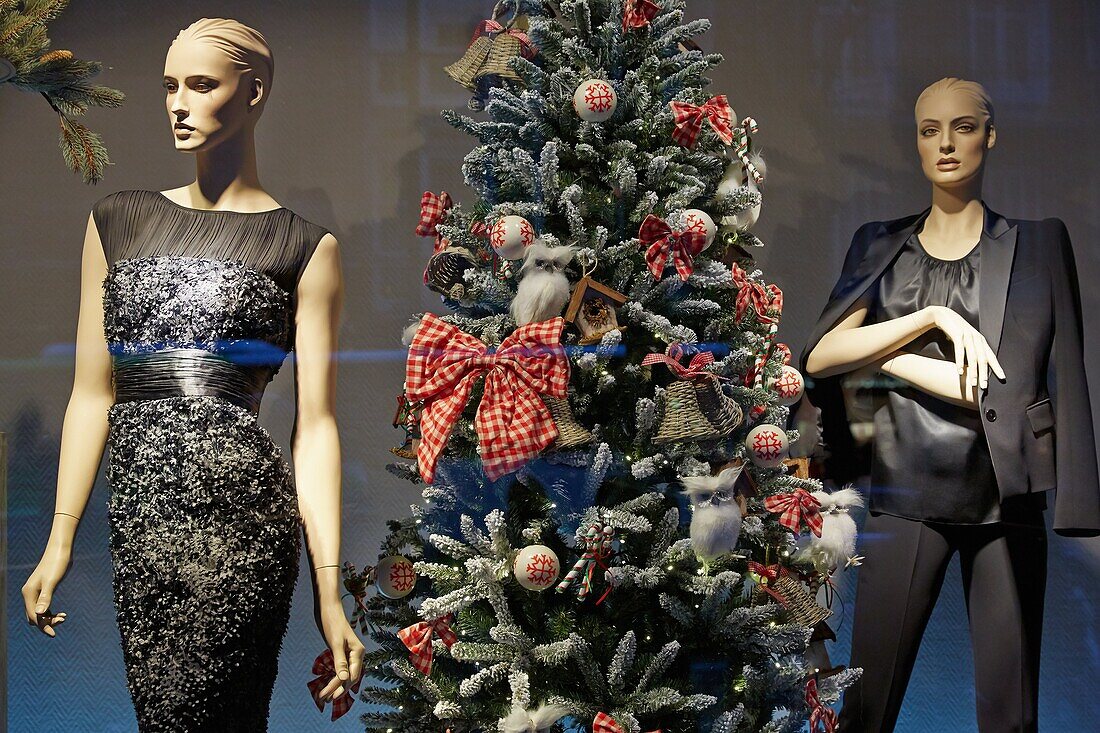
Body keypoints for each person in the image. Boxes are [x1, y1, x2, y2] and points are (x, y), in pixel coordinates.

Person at [20, 18, 364, 731]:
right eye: (170, 86)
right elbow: (93, 393)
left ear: (255, 92)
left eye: (202, 84)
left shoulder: (304, 246)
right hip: (143, 525)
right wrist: (58, 540)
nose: (179, 103)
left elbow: (316, 426)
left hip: (245, 523)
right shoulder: (118, 221)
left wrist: (328, 591)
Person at [800, 77, 1099, 732]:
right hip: (906, 491)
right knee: (868, 706)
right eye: (929, 129)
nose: (945, 143)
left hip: (1005, 495)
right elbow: (821, 353)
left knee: (1012, 713)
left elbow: (1010, 383)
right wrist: (930, 316)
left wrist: (881, 353)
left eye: (962, 126)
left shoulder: (1038, 244)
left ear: (989, 135)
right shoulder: (881, 244)